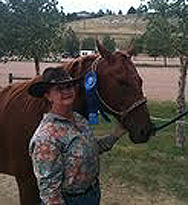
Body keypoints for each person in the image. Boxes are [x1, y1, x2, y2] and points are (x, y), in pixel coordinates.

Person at [28, 67, 126, 205]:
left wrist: (117, 134)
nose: (66, 91)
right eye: (59, 89)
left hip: (91, 194)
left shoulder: (79, 119)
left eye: (69, 86)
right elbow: (50, 193)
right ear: (48, 95)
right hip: (70, 201)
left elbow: (91, 148)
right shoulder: (46, 137)